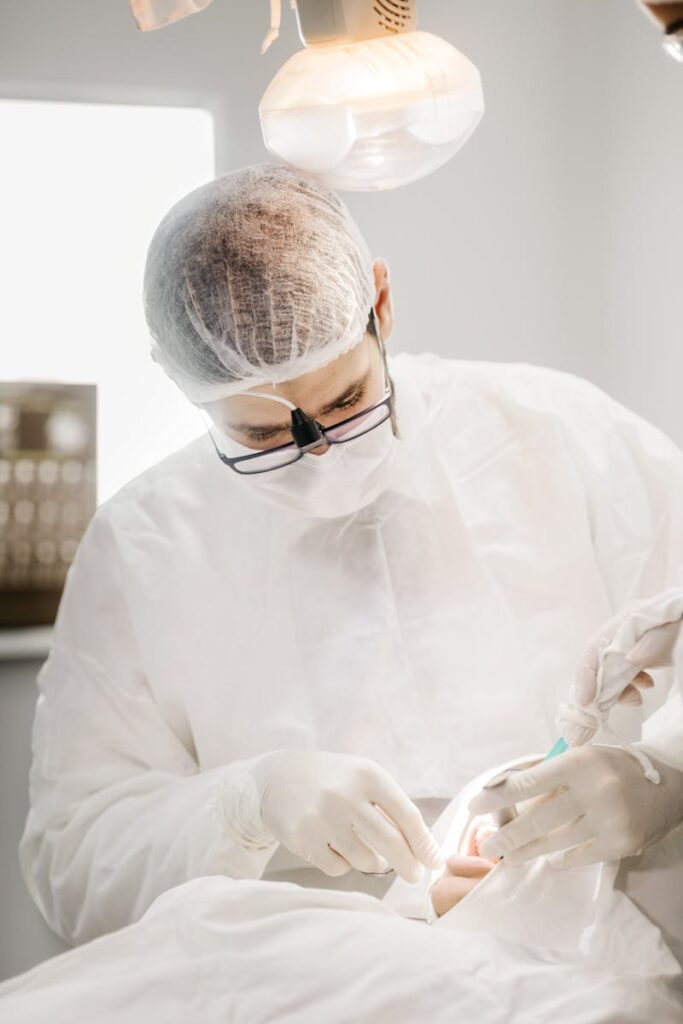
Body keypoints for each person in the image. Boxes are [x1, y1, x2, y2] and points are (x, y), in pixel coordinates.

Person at [20, 164, 683, 945]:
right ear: (178, 380)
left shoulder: (563, 438)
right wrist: (243, 805)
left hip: (596, 959)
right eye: (262, 434)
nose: (321, 456)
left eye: (346, 403)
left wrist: (662, 778)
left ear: (382, 304)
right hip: (299, 979)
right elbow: (72, 856)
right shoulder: (144, 546)